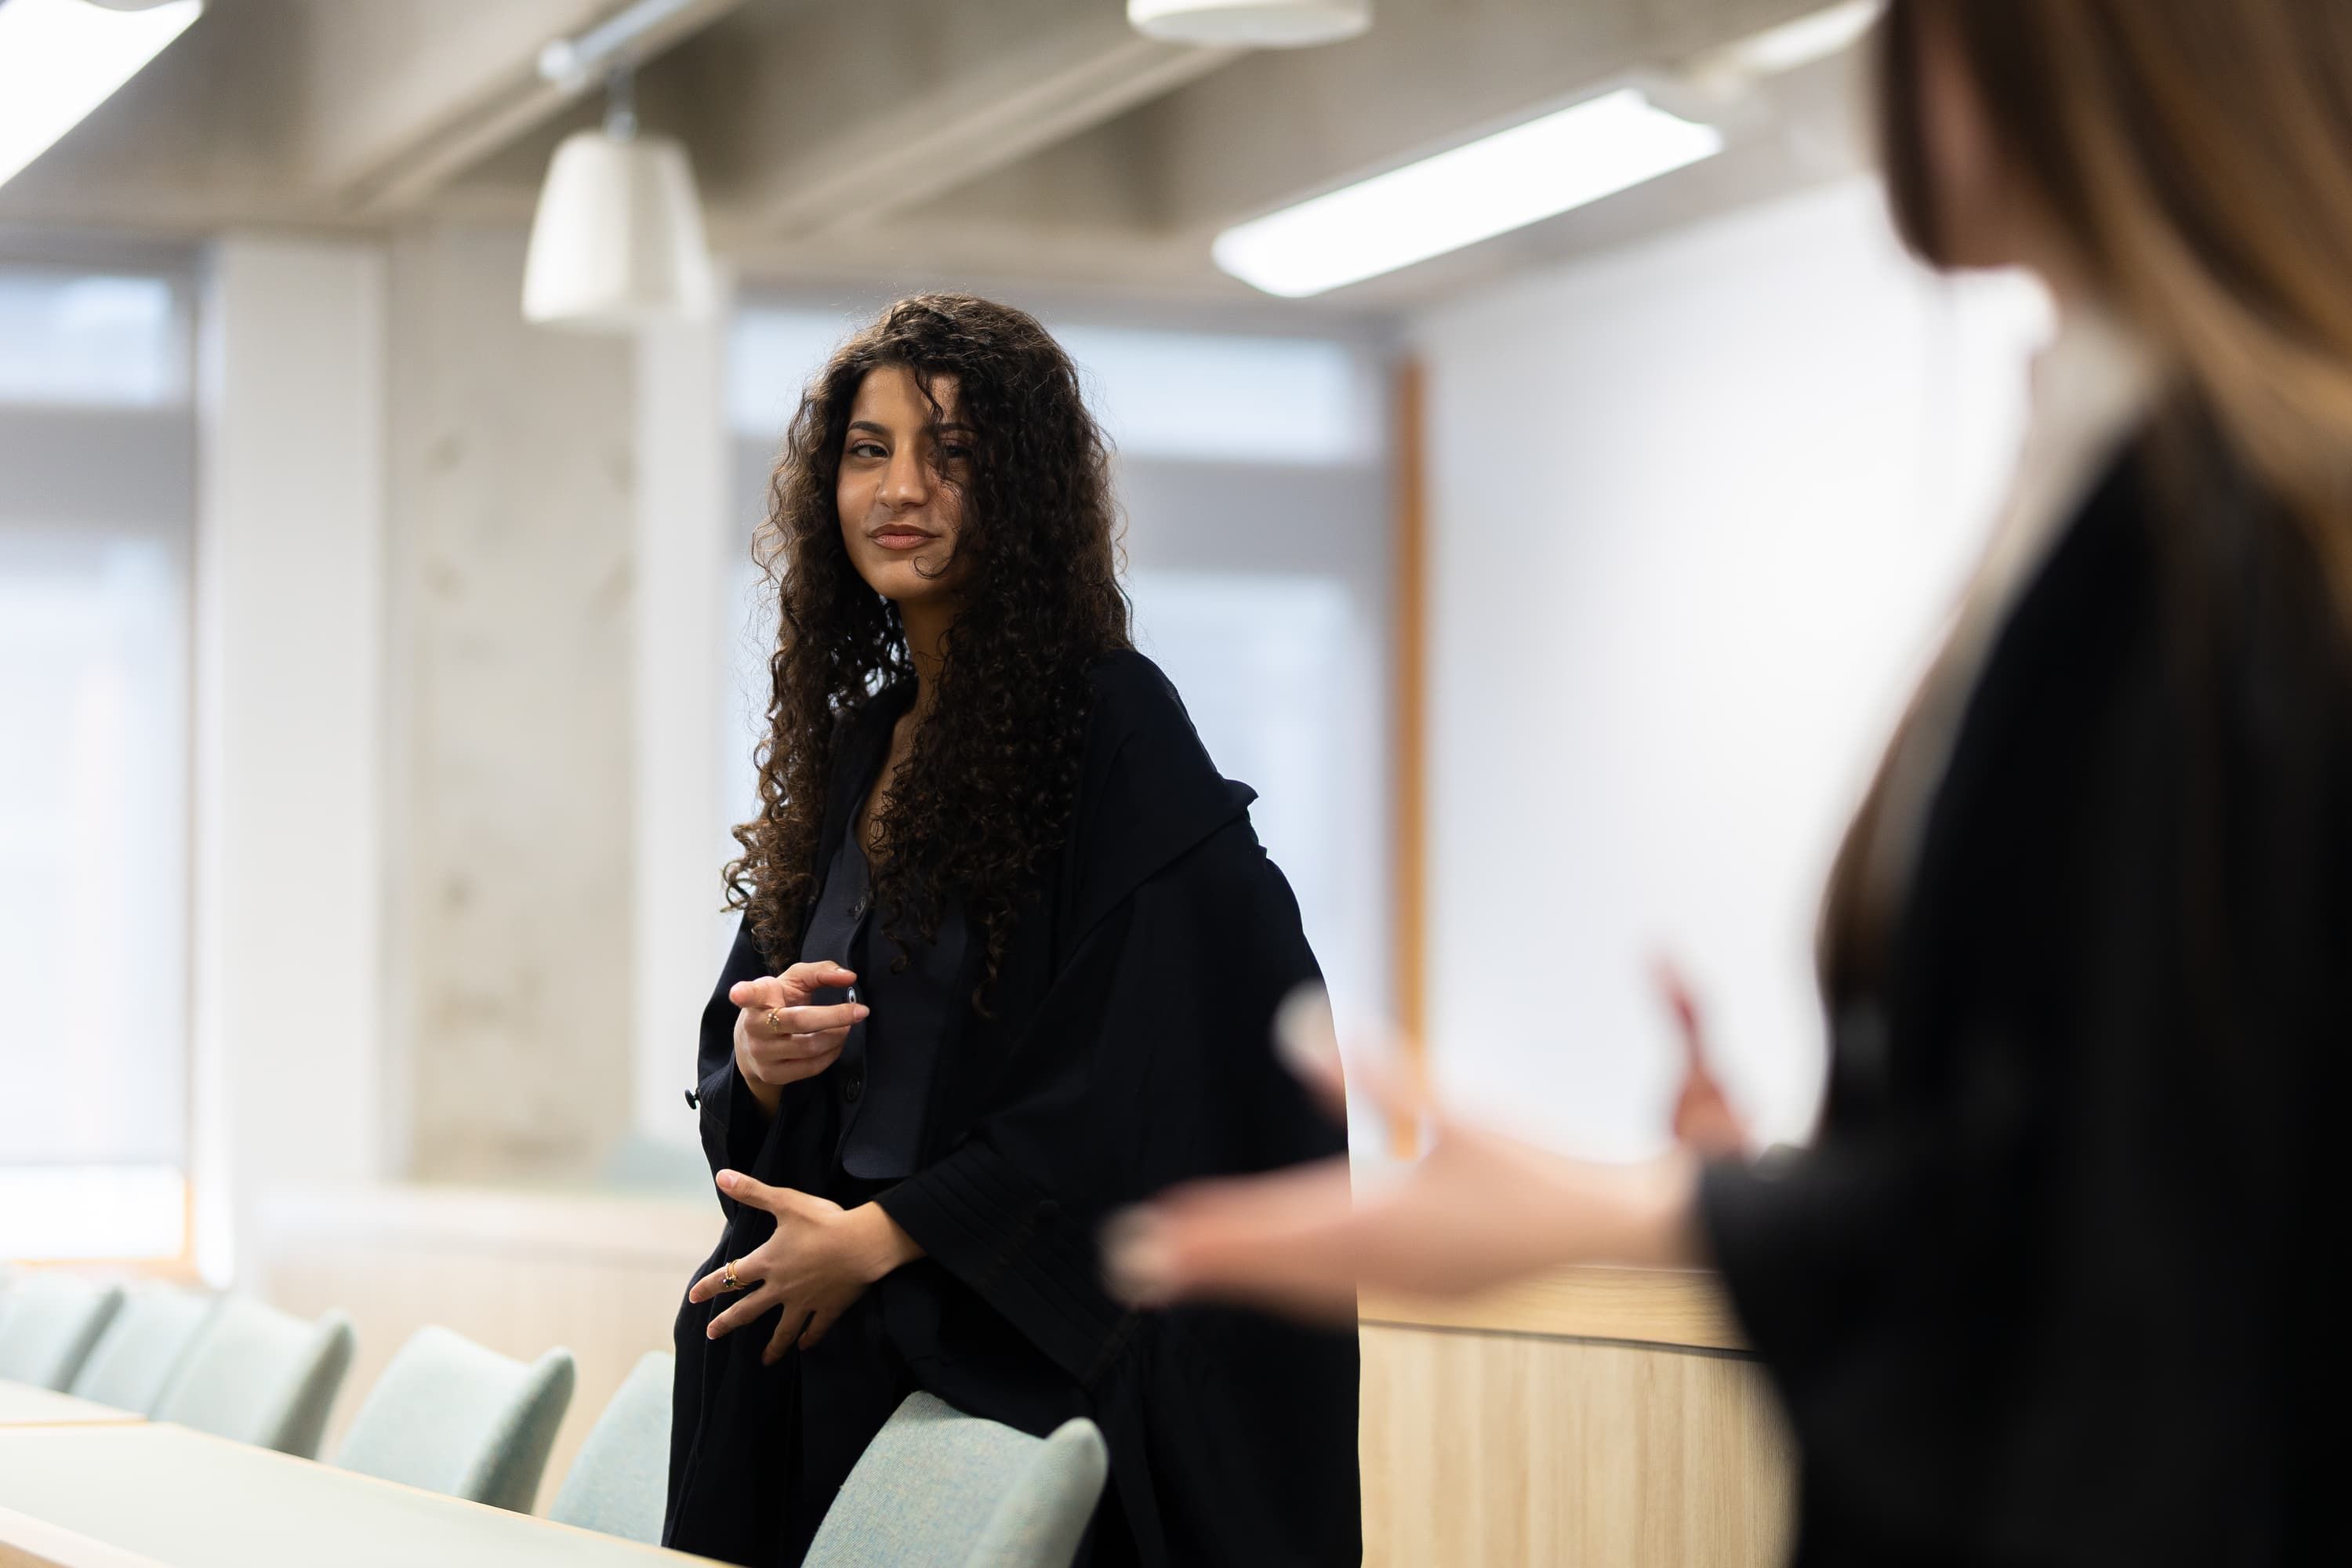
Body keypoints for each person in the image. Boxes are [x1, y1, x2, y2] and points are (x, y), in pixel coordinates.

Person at [1109, 3, 2352, 1562]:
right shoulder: (2134, 479)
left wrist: (1650, 1216)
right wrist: (1766, 1184)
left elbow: (2143, 1257)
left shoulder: (2245, 549)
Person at [662, 293, 1360, 1568]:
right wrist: (763, 1060)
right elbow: (745, 1017)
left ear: (1024, 488)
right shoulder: (863, 740)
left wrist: (883, 1238)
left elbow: (1144, 1070)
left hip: (996, 1348)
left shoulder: (1112, 728)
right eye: (869, 451)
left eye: (953, 452)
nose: (902, 487)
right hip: (835, 1324)